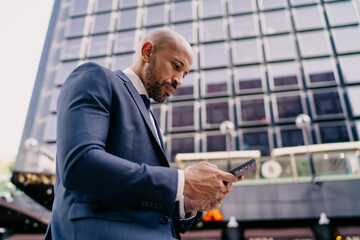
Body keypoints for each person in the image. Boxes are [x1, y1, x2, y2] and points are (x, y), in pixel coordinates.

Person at [45, 28, 241, 240]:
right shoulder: (95, 77)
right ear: (148, 52)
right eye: (176, 66)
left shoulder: (151, 118)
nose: (180, 81)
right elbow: (80, 164)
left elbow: (136, 199)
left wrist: (187, 202)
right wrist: (184, 181)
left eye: (184, 74)